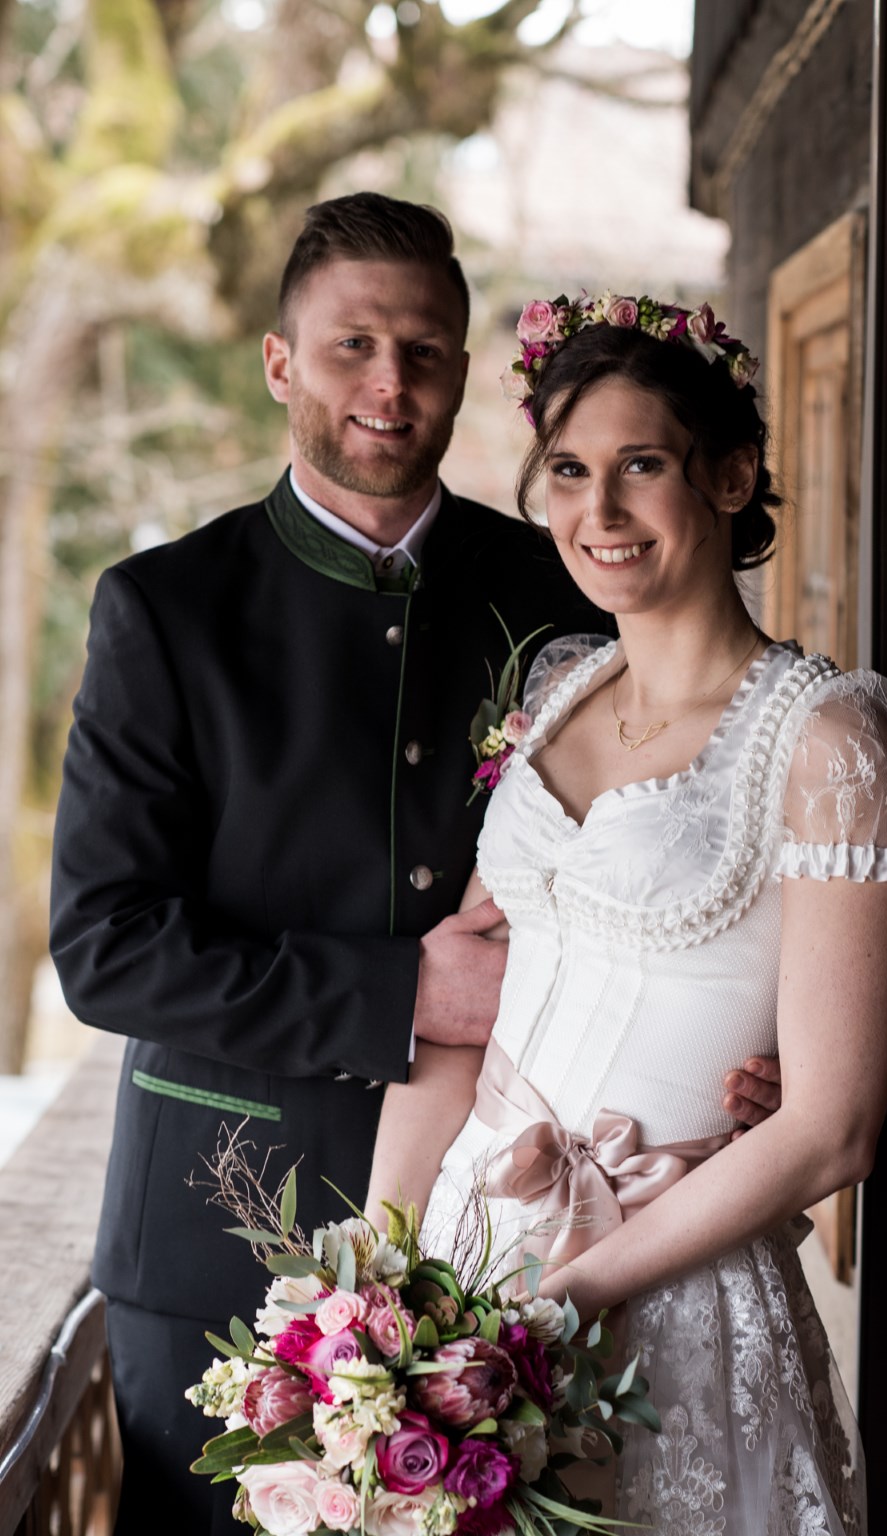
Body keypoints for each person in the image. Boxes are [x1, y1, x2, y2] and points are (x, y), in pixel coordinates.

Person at [49, 197, 778, 1534]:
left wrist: (736, 1030)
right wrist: (405, 995)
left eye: (427, 350)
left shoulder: (564, 586)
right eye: (353, 347)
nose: (391, 384)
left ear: (466, 371)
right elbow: (107, 945)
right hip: (219, 1241)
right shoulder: (164, 609)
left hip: (503, 1238)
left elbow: (685, 822)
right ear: (282, 362)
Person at [365, 291, 887, 1532]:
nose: (598, 512)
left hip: (667, 1284)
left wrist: (559, 1305)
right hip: (467, 1246)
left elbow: (834, 1130)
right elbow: (466, 1007)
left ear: (732, 475)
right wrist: (375, 1275)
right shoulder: (556, 686)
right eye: (567, 470)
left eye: (642, 465)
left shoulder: (834, 741)